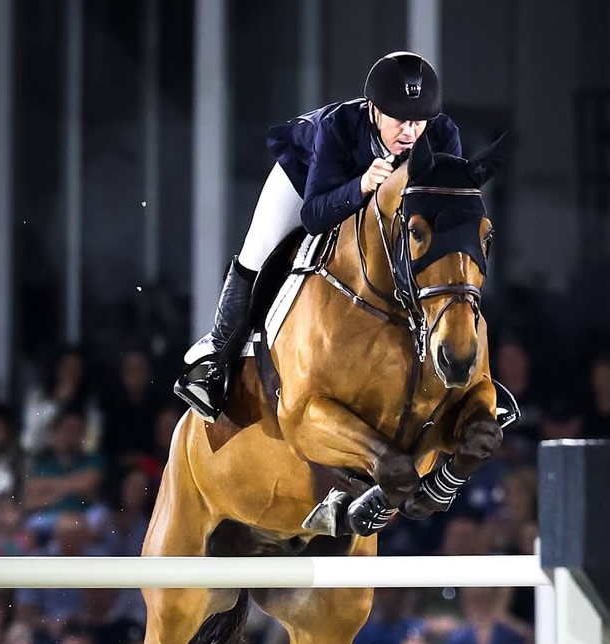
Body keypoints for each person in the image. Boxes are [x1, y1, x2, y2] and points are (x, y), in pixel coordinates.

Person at [174, 51, 462, 421]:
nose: (409, 132)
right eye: (399, 120)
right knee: (259, 250)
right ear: (374, 110)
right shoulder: (337, 127)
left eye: (418, 122)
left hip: (373, 203)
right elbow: (313, 216)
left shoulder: (442, 135)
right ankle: (217, 360)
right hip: (306, 180)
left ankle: (469, 380)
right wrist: (360, 186)